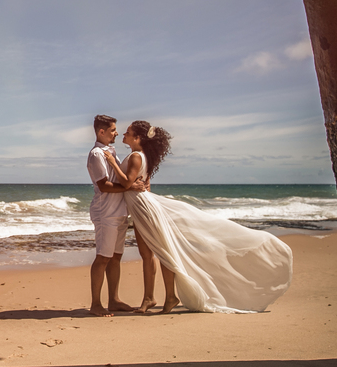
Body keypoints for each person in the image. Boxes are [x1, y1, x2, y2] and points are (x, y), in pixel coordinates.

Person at [103, 120, 293, 314]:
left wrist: (113, 164)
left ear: (138, 138)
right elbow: (144, 185)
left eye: (128, 132)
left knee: (158, 252)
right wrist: (136, 188)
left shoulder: (136, 156)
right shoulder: (142, 156)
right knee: (153, 253)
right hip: (142, 207)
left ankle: (160, 297)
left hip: (143, 208)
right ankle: (155, 298)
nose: (123, 135)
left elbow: (126, 183)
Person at [85, 115, 156, 316]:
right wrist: (131, 186)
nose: (117, 132)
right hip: (106, 212)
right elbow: (103, 185)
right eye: (113, 129)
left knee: (116, 257)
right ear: (101, 132)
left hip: (119, 212)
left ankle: (114, 300)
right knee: (103, 257)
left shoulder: (112, 152)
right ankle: (96, 304)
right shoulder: (97, 154)